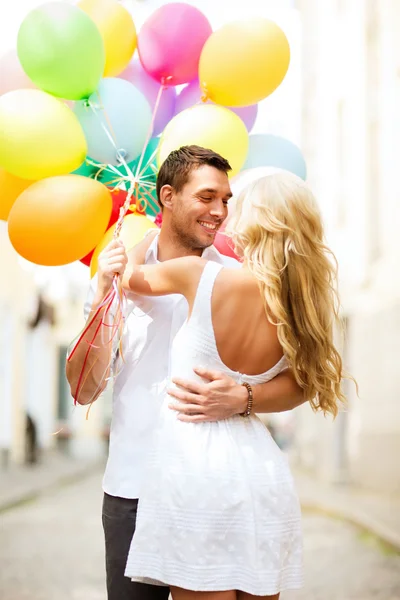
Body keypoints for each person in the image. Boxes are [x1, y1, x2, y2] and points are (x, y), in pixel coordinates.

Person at [66, 146, 305, 600]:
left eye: (227, 200)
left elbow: (299, 383)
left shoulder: (239, 277)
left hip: (214, 485)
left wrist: (245, 399)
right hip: (133, 488)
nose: (220, 212)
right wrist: (103, 296)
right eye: (207, 197)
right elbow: (83, 388)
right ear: (168, 197)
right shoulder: (116, 276)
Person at [119, 170, 347, 600]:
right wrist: (246, 398)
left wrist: (139, 231)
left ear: (250, 224)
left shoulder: (197, 275)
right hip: (262, 474)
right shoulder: (300, 306)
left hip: (194, 473)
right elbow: (303, 385)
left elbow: (131, 278)